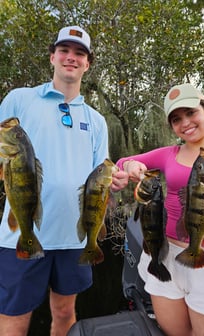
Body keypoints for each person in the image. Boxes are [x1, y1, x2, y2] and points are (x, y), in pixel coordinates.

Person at [0, 25, 128, 336]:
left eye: (79, 53)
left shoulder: (96, 121)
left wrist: (116, 180)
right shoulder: (20, 99)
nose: (71, 57)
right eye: (64, 51)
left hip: (75, 238)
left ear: (88, 63)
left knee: (64, 312)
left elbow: (101, 172)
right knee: (13, 319)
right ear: (52, 57)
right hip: (21, 232)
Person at [117, 83, 204, 336]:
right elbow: (124, 162)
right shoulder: (169, 154)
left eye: (191, 112)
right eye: (176, 119)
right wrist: (131, 164)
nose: (185, 123)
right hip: (165, 255)